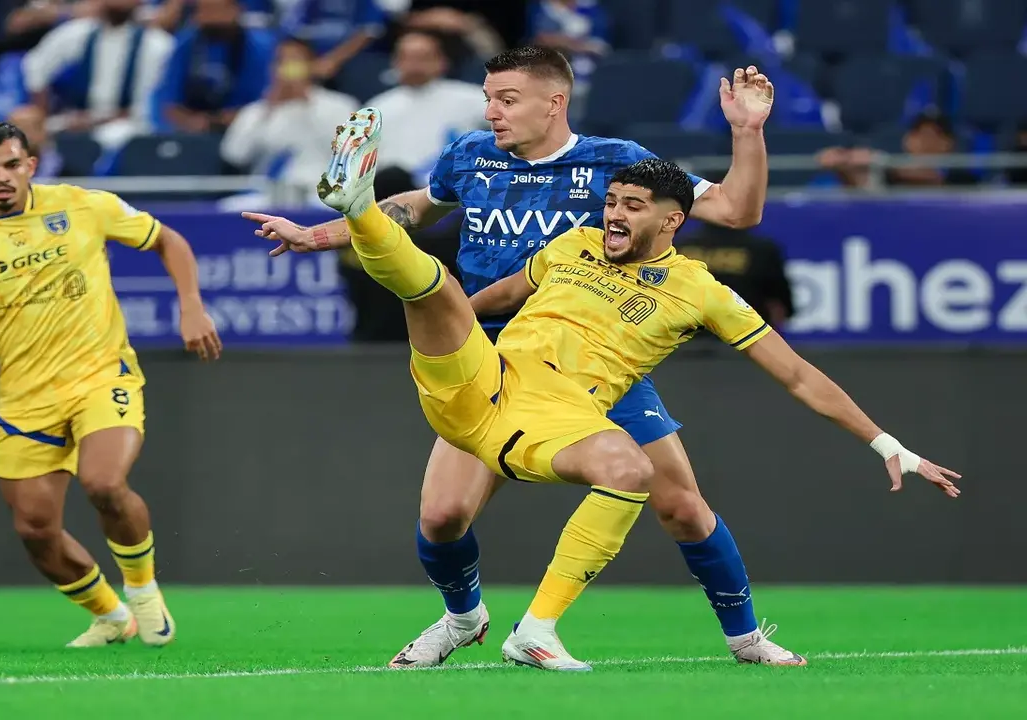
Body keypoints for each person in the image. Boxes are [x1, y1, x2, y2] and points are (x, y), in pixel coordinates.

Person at [308, 115, 960, 668]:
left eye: (631, 206)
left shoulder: (702, 290)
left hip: (574, 406)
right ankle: (359, 208)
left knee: (668, 497)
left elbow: (796, 374)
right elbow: (500, 297)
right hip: (492, 375)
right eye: (611, 202)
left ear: (673, 220)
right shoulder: (574, 243)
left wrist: (885, 444)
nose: (613, 214)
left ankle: (732, 636)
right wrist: (452, 332)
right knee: (441, 479)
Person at [243, 45, 800, 671]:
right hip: (490, 354)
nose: (492, 112)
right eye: (488, 99)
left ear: (554, 103)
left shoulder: (616, 163)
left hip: (587, 359)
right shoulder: (471, 157)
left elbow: (736, 210)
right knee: (443, 516)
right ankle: (464, 617)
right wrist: (318, 234)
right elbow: (414, 208)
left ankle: (746, 638)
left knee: (681, 506)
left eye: (506, 100)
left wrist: (746, 131)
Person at [0, 121, 222, 647]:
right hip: (24, 397)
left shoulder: (83, 205)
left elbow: (168, 240)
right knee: (35, 529)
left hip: (102, 375)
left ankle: (144, 594)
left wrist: (191, 306)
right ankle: (110, 615)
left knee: (103, 483)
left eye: (12, 164)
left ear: (31, 165)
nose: (1, 177)